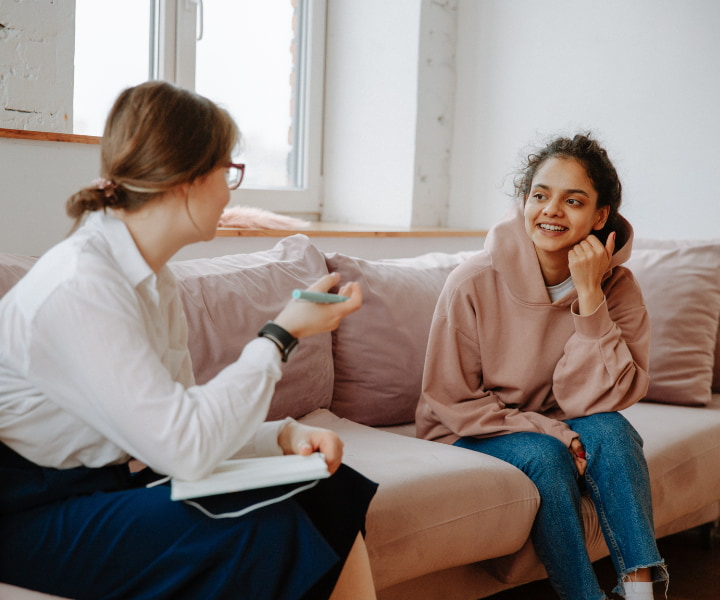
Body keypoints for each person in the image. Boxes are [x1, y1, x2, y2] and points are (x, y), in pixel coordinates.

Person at [0, 81, 378, 600]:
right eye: (229, 171)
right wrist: (281, 333)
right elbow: (185, 448)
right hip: (28, 511)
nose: (229, 190)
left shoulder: (155, 280)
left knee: (328, 487)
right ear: (186, 178)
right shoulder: (83, 284)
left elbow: (178, 418)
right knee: (260, 532)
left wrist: (281, 438)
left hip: (103, 485)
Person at [416, 133, 668, 600]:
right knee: (547, 456)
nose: (551, 210)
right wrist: (554, 432)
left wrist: (590, 298)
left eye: (573, 200)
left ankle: (642, 590)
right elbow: (450, 399)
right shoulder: (471, 282)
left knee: (613, 430)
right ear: (524, 202)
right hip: (468, 429)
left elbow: (604, 400)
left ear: (600, 216)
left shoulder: (619, 287)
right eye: (540, 195)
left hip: (557, 421)